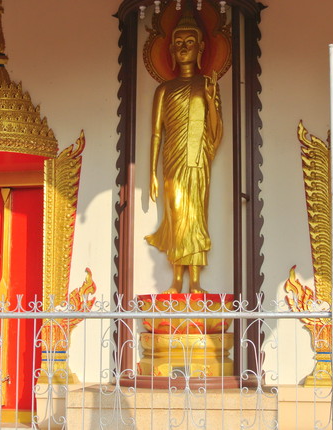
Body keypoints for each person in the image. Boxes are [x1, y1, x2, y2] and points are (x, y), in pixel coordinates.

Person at [145, 7, 223, 294]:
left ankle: (197, 282)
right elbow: (156, 133)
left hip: (198, 159)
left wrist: (211, 101)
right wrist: (152, 174)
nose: (183, 48)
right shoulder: (164, 89)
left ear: (201, 47)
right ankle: (177, 279)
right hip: (173, 158)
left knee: (197, 216)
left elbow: (216, 130)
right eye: (178, 43)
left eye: (190, 43)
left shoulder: (207, 85)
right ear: (170, 49)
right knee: (177, 212)